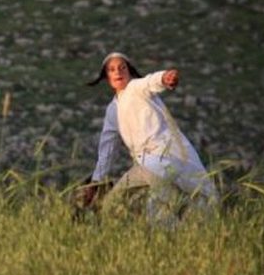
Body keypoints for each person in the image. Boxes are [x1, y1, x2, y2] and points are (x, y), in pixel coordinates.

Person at [84, 52, 218, 225]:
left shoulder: (136, 88)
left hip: (164, 158)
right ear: (107, 77)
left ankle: (178, 233)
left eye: (122, 68)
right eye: (112, 70)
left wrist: (164, 78)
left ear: (129, 71)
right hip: (143, 164)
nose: (117, 72)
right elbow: (107, 149)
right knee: (111, 204)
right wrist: (96, 181)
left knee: (161, 208)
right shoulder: (112, 111)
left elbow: (150, 81)